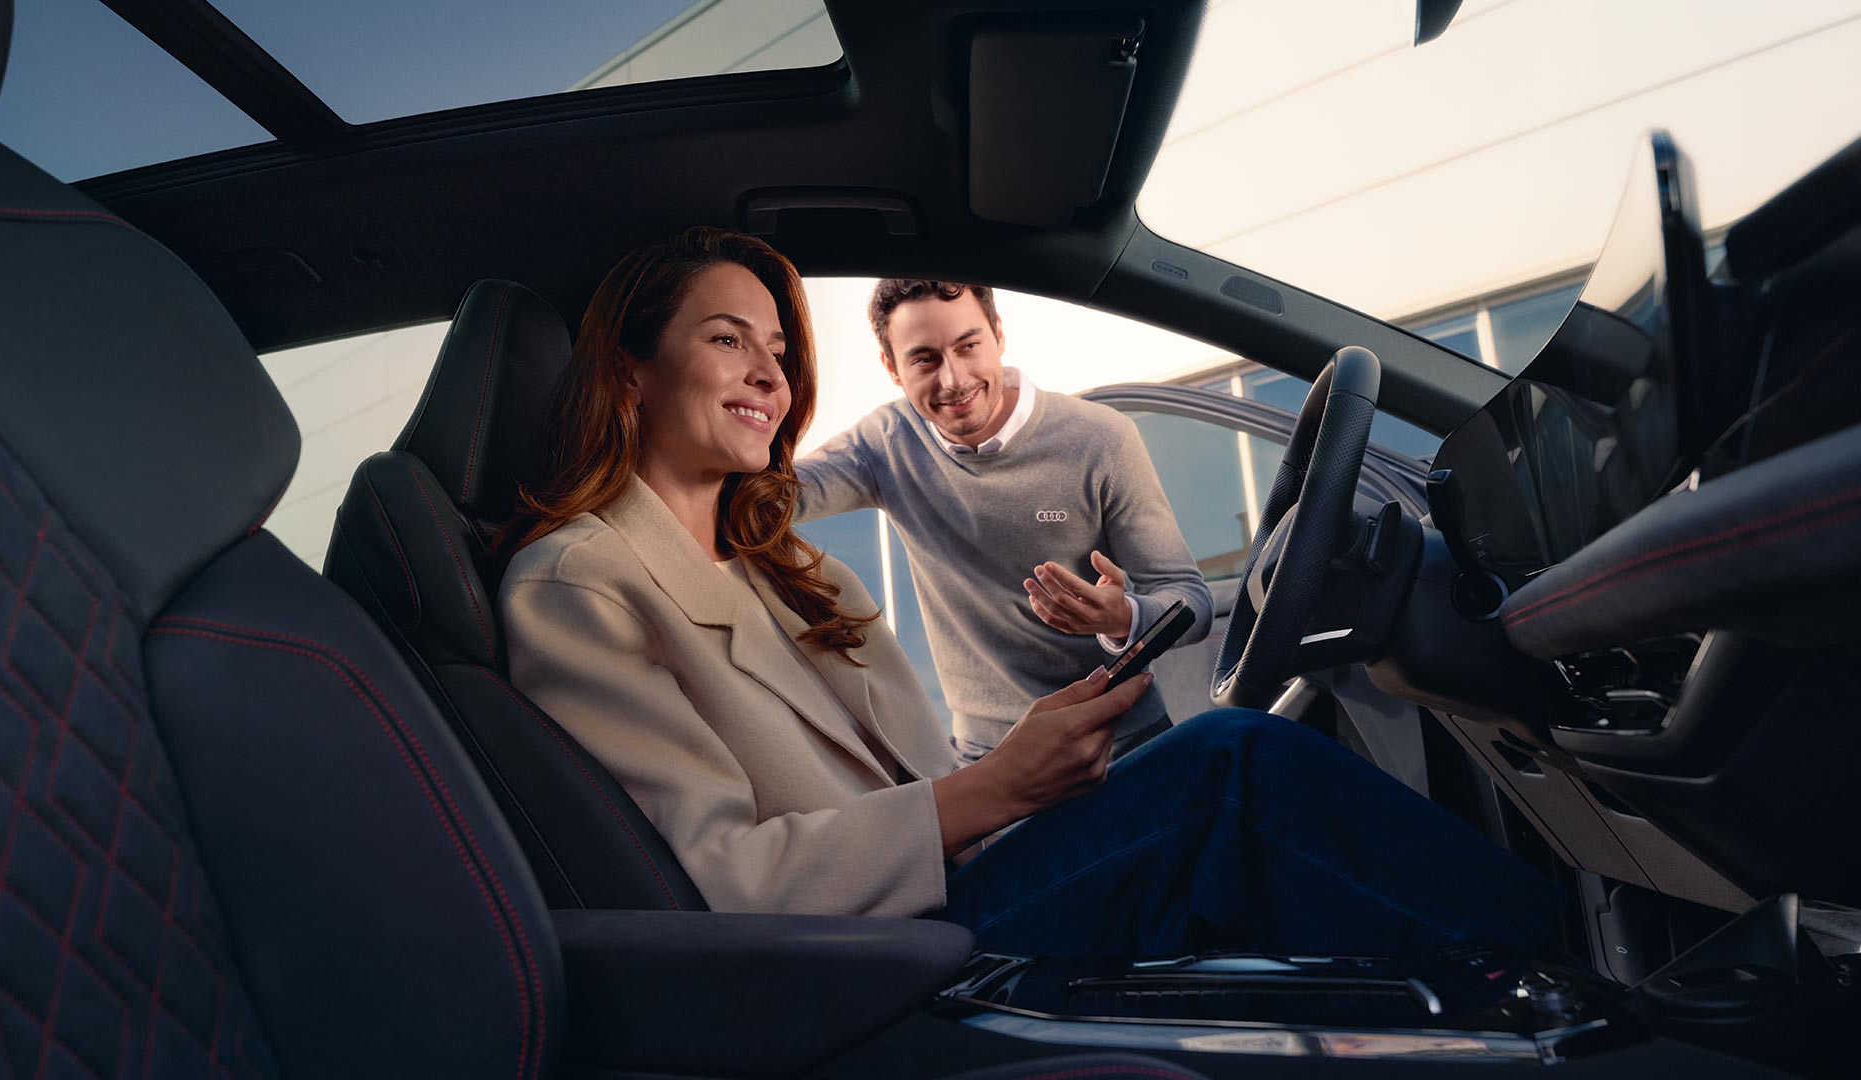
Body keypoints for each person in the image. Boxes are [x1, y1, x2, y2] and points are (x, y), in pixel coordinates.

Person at [498, 227, 1556, 958]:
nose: (773, 375)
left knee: (1231, 768)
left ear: (1001, 340)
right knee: (1238, 769)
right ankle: (1591, 992)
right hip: (891, 955)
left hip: (979, 846)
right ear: (627, 372)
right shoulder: (580, 583)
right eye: (728, 339)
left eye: (778, 347)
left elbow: (1173, 590)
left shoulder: (783, 570)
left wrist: (1044, 730)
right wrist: (995, 786)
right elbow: (719, 883)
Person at [795, 280, 1211, 763]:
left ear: (997, 333)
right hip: (989, 758)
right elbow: (771, 498)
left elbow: (1191, 602)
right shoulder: (886, 444)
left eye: (968, 346)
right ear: (891, 367)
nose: (953, 379)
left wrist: (1122, 619)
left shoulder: (1101, 440)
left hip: (1124, 741)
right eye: (924, 359)